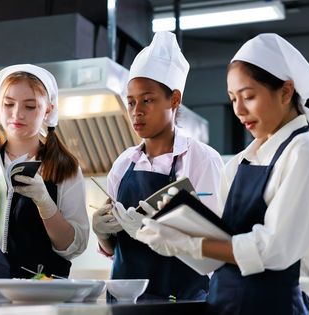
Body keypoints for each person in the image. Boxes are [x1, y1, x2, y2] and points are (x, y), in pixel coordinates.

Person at [136, 33, 309, 314]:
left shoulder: (306, 152)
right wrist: (176, 242)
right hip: (224, 304)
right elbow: (219, 256)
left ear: (285, 92)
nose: (238, 110)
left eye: (248, 96)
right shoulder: (239, 163)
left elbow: (275, 249)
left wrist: (191, 243)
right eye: (233, 98)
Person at [92, 31, 224, 301]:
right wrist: (102, 231)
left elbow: (215, 250)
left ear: (174, 99)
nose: (136, 110)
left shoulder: (201, 160)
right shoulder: (123, 164)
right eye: (131, 102)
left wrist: (160, 234)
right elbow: (114, 249)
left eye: (148, 100)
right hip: (125, 303)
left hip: (183, 301)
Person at [0, 64, 89, 278]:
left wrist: (46, 204)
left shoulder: (66, 169)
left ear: (48, 110)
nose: (17, 114)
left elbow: (71, 247)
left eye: (30, 106)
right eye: (8, 104)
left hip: (45, 295)